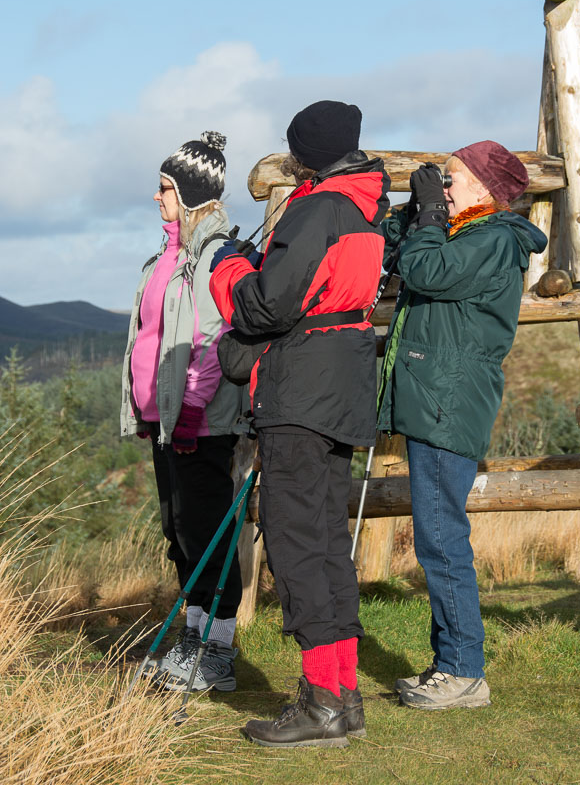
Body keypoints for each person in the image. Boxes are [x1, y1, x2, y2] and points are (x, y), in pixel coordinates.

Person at [209, 100, 390, 747]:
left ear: (304, 151)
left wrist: (228, 269)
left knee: (294, 542)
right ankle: (343, 696)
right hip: (343, 385)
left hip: (300, 391)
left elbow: (266, 308)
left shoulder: (317, 209)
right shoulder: (367, 206)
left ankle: (320, 703)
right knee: (325, 540)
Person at [377, 140, 547, 710]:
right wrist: (408, 212)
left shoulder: (494, 240)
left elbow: (427, 271)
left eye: (452, 180)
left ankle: (463, 671)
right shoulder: (465, 233)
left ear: (485, 188)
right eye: (442, 181)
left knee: (443, 539)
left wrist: (426, 216)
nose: (443, 189)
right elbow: (404, 254)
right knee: (438, 536)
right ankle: (449, 664)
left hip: (449, 401)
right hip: (437, 396)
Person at [121, 131, 244, 693]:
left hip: (202, 423)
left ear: (192, 196)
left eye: (165, 188)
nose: (157, 198)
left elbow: (215, 339)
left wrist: (192, 411)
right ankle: (192, 640)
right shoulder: (167, 256)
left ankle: (217, 653)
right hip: (166, 423)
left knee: (208, 532)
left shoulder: (212, 255)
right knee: (179, 531)